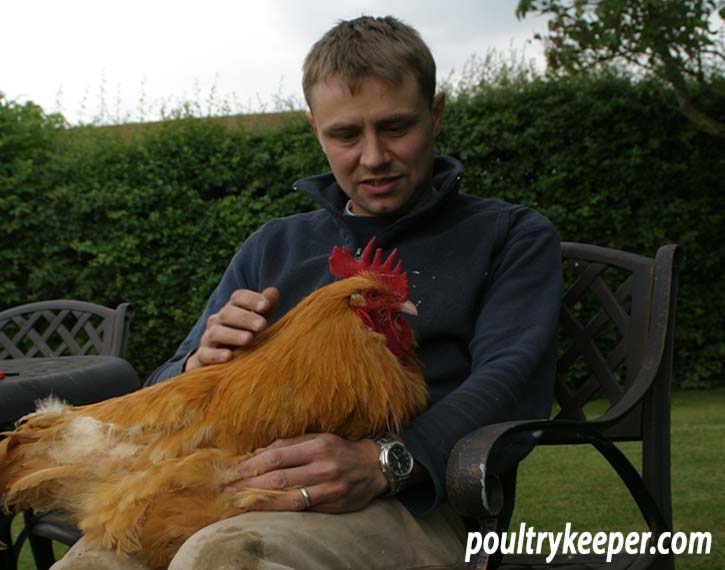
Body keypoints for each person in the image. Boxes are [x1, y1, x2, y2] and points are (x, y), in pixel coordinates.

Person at [53, 15, 562, 570]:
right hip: (228, 486)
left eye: (396, 127)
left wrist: (388, 461)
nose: (373, 157)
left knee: (225, 559)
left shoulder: (509, 235)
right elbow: (162, 383)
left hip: (417, 504)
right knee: (92, 563)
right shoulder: (274, 245)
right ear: (315, 127)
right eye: (345, 134)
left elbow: (514, 376)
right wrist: (199, 364)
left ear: (435, 114)